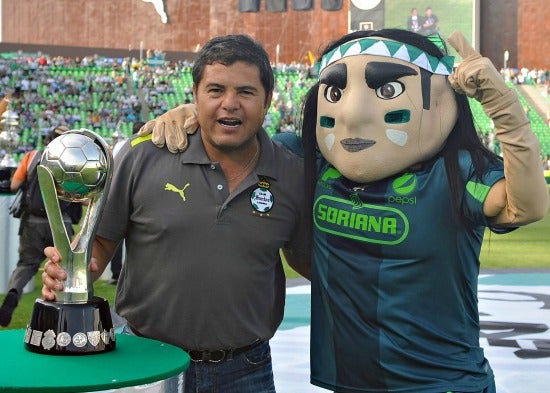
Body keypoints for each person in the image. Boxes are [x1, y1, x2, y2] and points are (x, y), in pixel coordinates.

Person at [137, 29, 549, 392]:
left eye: (387, 91)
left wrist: (503, 105)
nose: (352, 114)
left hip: (440, 380)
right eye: (335, 93)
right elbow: (237, 136)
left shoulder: (454, 172)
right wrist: (193, 114)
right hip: (351, 381)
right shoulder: (311, 162)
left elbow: (526, 205)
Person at [42, 34, 310, 393]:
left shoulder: (292, 174)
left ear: (268, 101)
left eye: (246, 92)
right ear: (195, 95)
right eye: (215, 90)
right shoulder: (144, 155)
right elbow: (100, 240)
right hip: (146, 362)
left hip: (245, 370)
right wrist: (72, 272)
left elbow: (307, 259)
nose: (229, 104)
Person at [0, 126, 78, 327]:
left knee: (26, 264)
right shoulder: (74, 162)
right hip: (61, 221)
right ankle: (65, 313)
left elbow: (14, 186)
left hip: (33, 221)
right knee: (66, 268)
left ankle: (13, 294)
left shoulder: (33, 156)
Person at [108, 120, 145, 285]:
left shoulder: (124, 146)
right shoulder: (141, 147)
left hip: (121, 191)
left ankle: (117, 274)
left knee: (114, 237)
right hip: (141, 196)